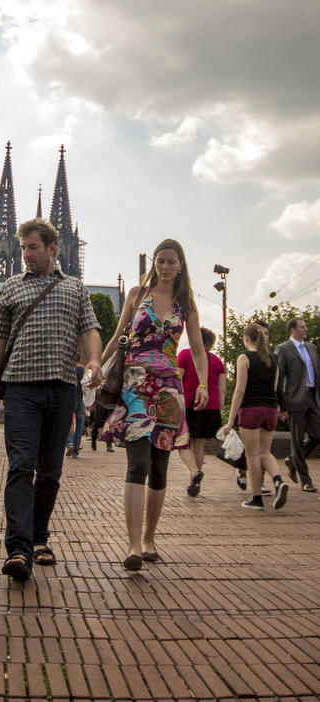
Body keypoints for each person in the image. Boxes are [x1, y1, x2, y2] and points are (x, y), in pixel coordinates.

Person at [0, 218, 102, 582]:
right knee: (21, 466)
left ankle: (38, 537)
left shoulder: (76, 289)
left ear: (53, 248)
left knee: (50, 471)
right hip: (20, 388)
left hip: (63, 387)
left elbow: (90, 330)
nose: (25, 255)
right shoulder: (10, 287)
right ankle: (18, 548)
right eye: (22, 248)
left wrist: (95, 360)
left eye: (32, 247)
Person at [101, 239, 208, 571]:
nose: (164, 266)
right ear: (154, 264)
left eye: (171, 261)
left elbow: (199, 349)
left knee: (160, 468)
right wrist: (96, 367)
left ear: (180, 266)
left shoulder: (186, 303)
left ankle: (149, 538)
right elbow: (119, 336)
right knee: (138, 465)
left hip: (168, 389)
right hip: (134, 385)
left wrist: (202, 383)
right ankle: (133, 546)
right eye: (160, 260)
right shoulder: (137, 295)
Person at [223, 323, 288, 510]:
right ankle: (278, 480)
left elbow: (240, 390)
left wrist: (230, 420)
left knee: (252, 455)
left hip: (251, 409)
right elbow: (275, 388)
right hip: (270, 409)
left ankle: (257, 497)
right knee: (265, 452)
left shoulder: (244, 358)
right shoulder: (273, 359)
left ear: (246, 339)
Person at [177, 327, 226, 496]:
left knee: (182, 440)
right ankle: (194, 481)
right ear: (210, 343)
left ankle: (193, 472)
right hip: (211, 406)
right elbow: (222, 389)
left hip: (189, 403)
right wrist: (220, 408)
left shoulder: (184, 355)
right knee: (200, 444)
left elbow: (179, 378)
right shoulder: (218, 361)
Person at [276, 317, 320, 493]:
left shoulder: (312, 348)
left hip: (312, 396)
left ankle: (293, 460)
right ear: (293, 330)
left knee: (317, 435)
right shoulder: (283, 349)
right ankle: (305, 480)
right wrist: (281, 403)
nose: (306, 329)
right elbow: (278, 378)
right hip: (295, 398)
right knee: (296, 438)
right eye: (302, 327)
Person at [66, 362, 87, 459]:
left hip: (70, 398)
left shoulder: (67, 368)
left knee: (65, 423)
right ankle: (76, 451)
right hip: (80, 399)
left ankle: (70, 442)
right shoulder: (82, 370)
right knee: (79, 427)